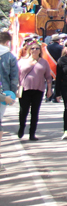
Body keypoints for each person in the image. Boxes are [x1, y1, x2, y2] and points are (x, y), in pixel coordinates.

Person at [17, 41, 53, 141]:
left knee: (35, 112)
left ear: (40, 51)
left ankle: (32, 133)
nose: (35, 50)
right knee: (23, 111)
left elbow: (48, 77)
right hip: (25, 89)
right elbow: (17, 75)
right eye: (32, 48)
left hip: (38, 89)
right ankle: (21, 127)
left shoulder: (44, 62)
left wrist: (49, 89)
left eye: (37, 48)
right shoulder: (22, 61)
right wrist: (16, 87)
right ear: (29, 50)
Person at [0, 31, 19, 170]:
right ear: (8, 42)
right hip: (4, 92)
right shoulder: (10, 56)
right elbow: (14, 77)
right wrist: (12, 93)